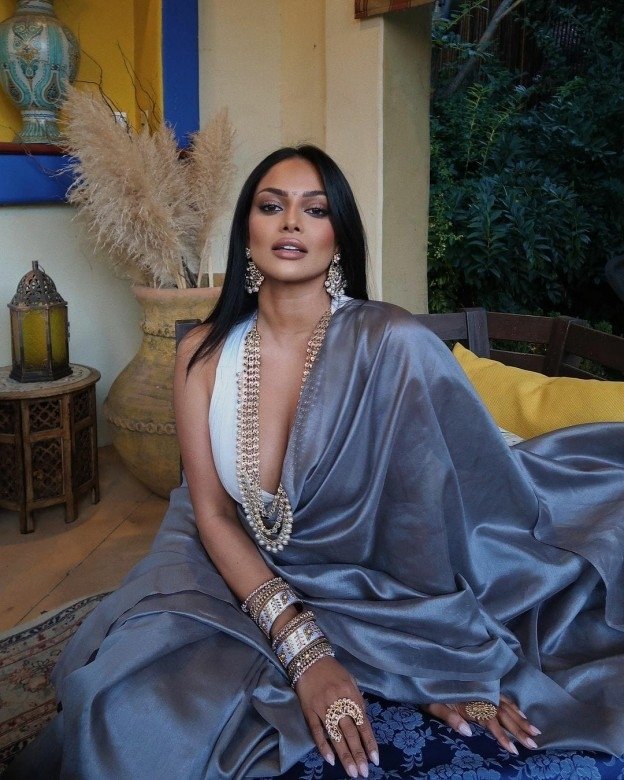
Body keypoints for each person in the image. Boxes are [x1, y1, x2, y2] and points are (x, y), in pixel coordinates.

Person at [8, 146, 624, 780]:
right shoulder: (201, 354)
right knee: (123, 705)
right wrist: (302, 647)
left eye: (316, 209)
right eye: (271, 206)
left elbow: (426, 522)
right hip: (238, 562)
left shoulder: (392, 343)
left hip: (371, 581)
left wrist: (433, 658)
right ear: (246, 231)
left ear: (339, 236)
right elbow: (210, 512)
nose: (291, 222)